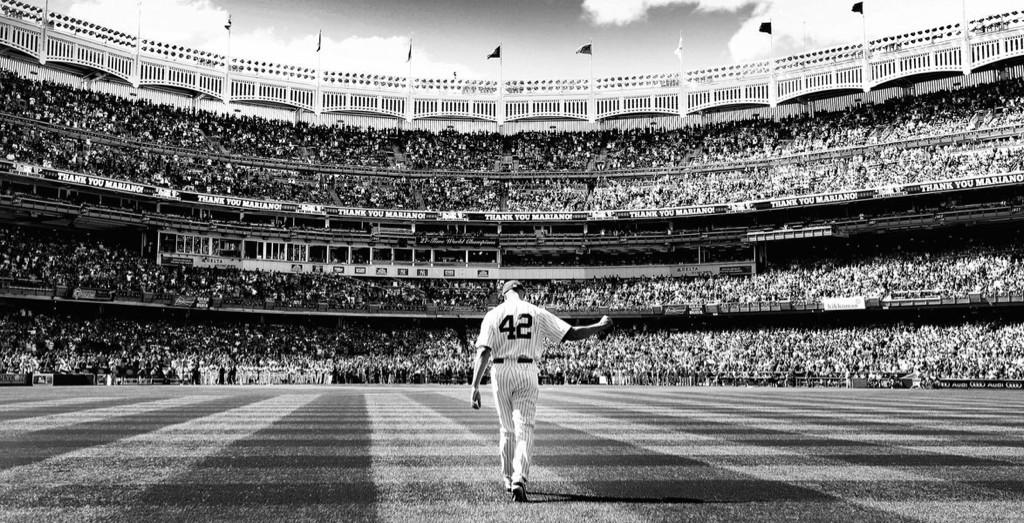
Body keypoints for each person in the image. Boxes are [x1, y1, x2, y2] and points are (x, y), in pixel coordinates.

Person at [469, 280, 613, 502]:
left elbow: (483, 352)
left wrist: (475, 385)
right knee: (524, 427)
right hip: (527, 370)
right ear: (522, 293)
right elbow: (571, 333)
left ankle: (508, 479)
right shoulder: (536, 312)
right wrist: (599, 326)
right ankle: (519, 478)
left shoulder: (493, 314)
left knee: (506, 428)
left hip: (500, 370)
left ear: (504, 294)